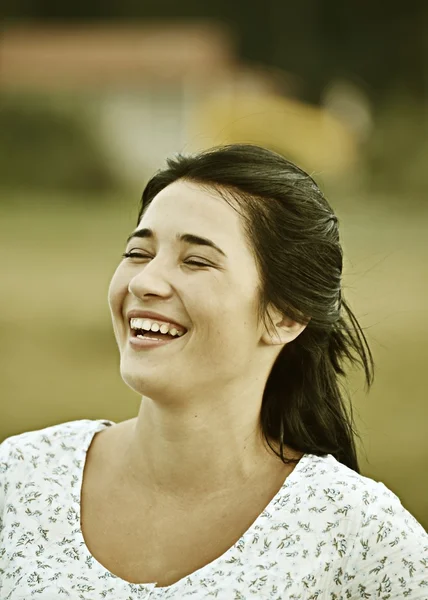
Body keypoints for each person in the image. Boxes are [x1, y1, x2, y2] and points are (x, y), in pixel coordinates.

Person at [0, 144, 426, 599]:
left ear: (285, 315)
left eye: (196, 261)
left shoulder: (356, 532)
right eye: (139, 253)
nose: (144, 282)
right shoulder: (20, 477)